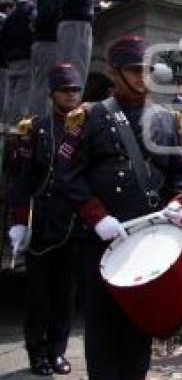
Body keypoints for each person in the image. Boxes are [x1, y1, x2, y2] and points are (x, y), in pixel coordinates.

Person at [54, 35, 182, 380]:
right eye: (134, 69)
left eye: (147, 69)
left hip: (148, 243)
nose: (143, 76)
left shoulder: (164, 119)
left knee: (138, 329)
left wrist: (178, 203)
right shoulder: (90, 116)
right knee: (102, 330)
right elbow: (67, 174)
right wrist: (97, 217)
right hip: (104, 241)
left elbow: (181, 177)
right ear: (115, 73)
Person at [7, 64, 82, 376]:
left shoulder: (87, 128)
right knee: (39, 293)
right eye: (65, 90)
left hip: (75, 221)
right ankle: (37, 352)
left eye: (75, 90)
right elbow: (22, 180)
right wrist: (20, 221)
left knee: (66, 294)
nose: (71, 95)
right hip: (44, 220)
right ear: (52, 93)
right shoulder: (35, 128)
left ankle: (57, 351)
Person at [58, 0, 145, 91]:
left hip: (74, 25)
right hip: (77, 25)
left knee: (75, 69)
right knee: (76, 70)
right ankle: (71, 112)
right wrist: (93, 7)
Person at [30, 0, 65, 119]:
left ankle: (36, 120)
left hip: (43, 43)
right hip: (48, 43)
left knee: (40, 83)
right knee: (44, 85)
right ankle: (38, 122)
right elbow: (46, 19)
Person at [0, 0, 38, 123]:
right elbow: (36, 24)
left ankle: (5, 125)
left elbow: (3, 36)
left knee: (9, 95)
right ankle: (15, 127)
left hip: (11, 60)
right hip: (25, 56)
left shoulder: (11, 14)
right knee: (22, 95)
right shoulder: (32, 10)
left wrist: (7, 54)